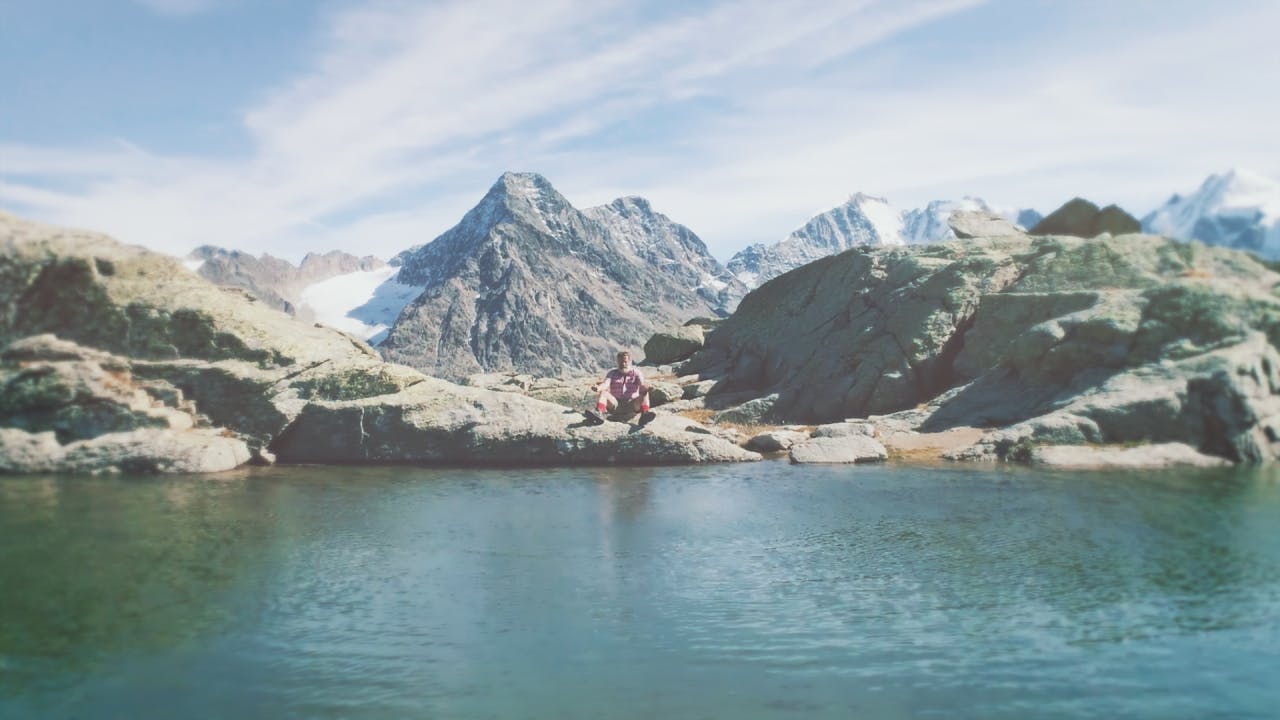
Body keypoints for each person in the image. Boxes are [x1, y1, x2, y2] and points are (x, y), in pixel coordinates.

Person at [585, 350, 656, 426]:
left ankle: (645, 414)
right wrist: (598, 388)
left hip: (632, 405)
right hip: (616, 404)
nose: (623, 364)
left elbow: (642, 384)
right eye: (620, 362)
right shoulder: (612, 373)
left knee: (645, 393)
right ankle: (598, 413)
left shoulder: (636, 373)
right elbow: (605, 384)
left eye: (625, 361)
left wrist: (648, 387)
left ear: (630, 362)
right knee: (604, 393)